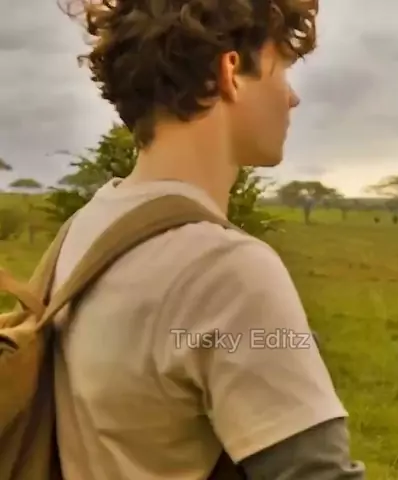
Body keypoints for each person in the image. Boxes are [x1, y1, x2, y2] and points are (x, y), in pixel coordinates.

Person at [53, 1, 365, 478]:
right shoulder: (226, 269)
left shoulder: (84, 229)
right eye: (282, 69)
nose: (292, 98)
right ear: (231, 72)